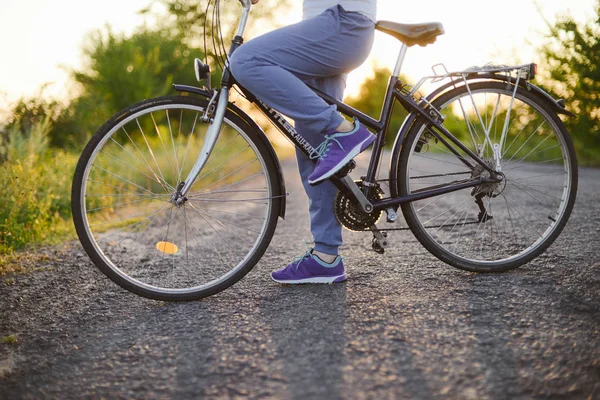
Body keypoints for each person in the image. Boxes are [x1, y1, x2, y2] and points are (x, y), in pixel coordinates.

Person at [229, 0, 377, 284]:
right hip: (333, 28)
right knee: (316, 153)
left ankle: (344, 130)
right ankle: (326, 258)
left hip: (342, 24)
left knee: (246, 60)